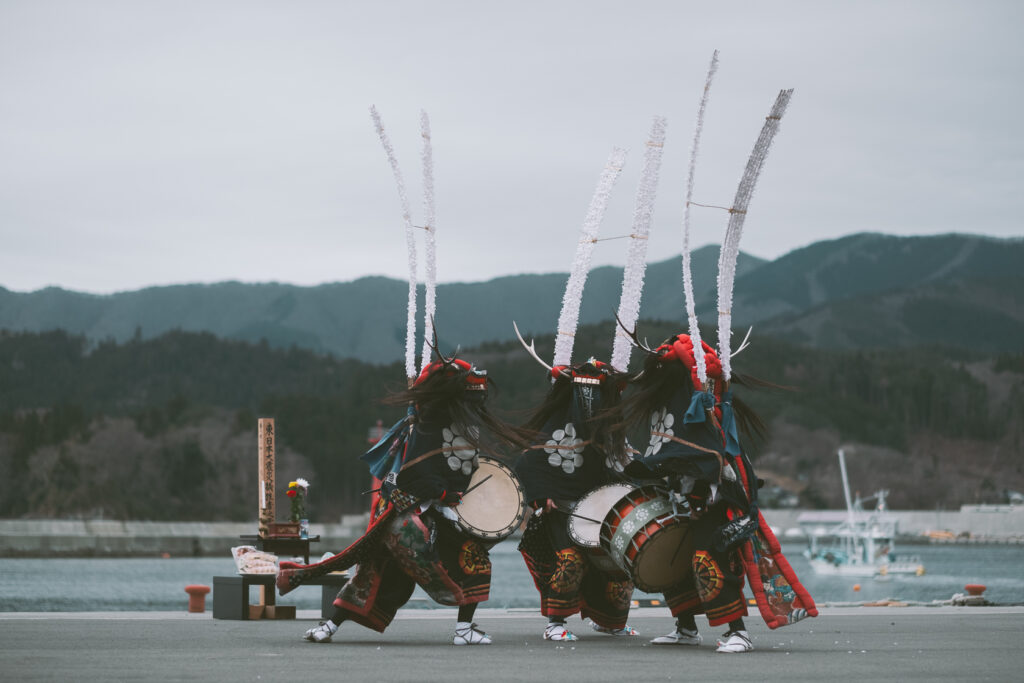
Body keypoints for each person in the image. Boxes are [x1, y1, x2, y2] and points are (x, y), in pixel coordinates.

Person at [280, 355, 525, 645]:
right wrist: (444, 493)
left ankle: (331, 627)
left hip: (425, 515)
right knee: (388, 572)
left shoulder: (444, 425)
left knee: (384, 572)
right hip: (410, 516)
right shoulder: (427, 427)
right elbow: (417, 476)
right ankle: (332, 626)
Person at [620, 333, 816, 653]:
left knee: (708, 562)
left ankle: (738, 632)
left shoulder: (706, 417)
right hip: (684, 499)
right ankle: (685, 627)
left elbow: (706, 462)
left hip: (717, 503)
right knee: (676, 560)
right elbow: (673, 456)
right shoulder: (683, 414)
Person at [515, 359, 638, 642]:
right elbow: (529, 463)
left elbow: (626, 466)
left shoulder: (610, 431)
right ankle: (555, 622)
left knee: (619, 564)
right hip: (560, 507)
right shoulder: (555, 428)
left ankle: (610, 622)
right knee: (570, 560)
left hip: (601, 510)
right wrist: (541, 496)